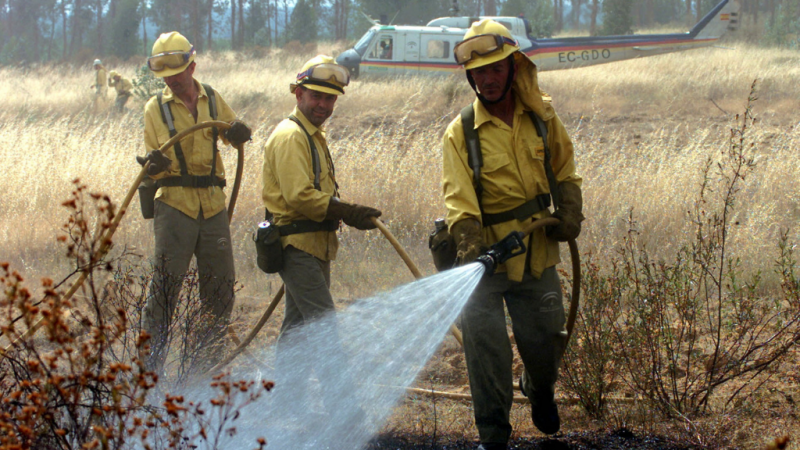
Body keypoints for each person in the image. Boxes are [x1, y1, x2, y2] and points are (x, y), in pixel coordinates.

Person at [441, 20, 584, 449]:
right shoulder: (459, 133)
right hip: (483, 260)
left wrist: (570, 211)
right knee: (487, 354)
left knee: (545, 344)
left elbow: (564, 167)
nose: (486, 79)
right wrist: (472, 251)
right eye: (478, 73)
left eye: (494, 69)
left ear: (513, 68)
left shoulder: (541, 116)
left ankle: (538, 389)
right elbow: (458, 202)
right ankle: (493, 437)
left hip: (537, 251)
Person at [261, 55, 381, 416]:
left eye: (330, 99)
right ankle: (346, 413)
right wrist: (346, 210)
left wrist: (343, 211)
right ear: (298, 94)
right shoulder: (290, 137)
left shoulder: (311, 136)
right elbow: (300, 195)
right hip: (296, 246)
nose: (323, 105)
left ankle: (286, 405)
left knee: (296, 329)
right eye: (316, 97)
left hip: (314, 246)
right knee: (325, 327)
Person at [136, 31, 252, 375]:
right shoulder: (155, 108)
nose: (172, 81)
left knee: (219, 290)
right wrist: (154, 166)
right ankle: (148, 374)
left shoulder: (212, 99)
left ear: (192, 67)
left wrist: (239, 132)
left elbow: (231, 131)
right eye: (165, 76)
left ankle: (202, 373)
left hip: (213, 207)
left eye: (177, 72)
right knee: (164, 292)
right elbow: (157, 158)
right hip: (175, 206)